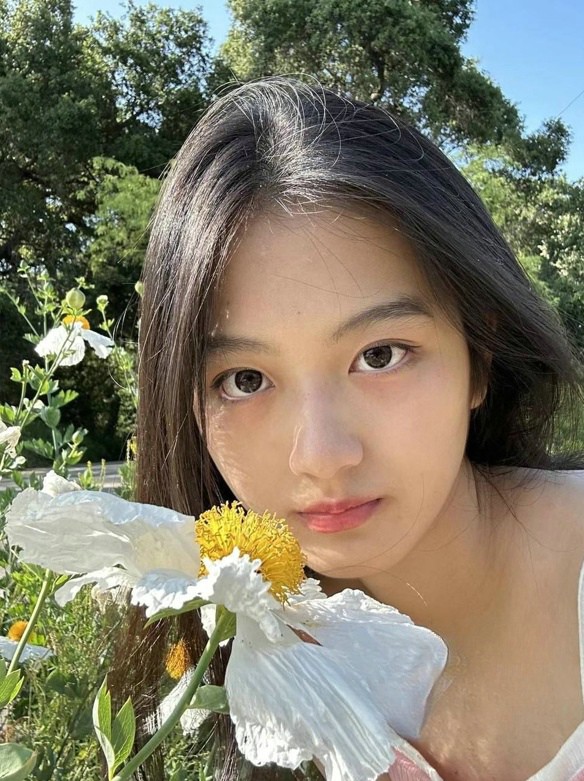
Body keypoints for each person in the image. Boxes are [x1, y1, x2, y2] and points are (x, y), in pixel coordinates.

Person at [111, 76, 584, 781]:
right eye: (246, 380)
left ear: (479, 358)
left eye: (380, 355)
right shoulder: (233, 655)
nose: (322, 456)